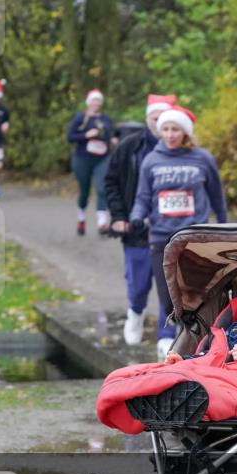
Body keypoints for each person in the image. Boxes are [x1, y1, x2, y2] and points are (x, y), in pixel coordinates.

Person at [131, 105, 228, 361]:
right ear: (160, 131)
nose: (170, 134)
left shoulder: (202, 158)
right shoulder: (152, 160)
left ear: (184, 131)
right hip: (161, 236)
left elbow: (217, 197)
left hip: (194, 236)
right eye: (166, 129)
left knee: (196, 293)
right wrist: (136, 217)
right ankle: (178, 338)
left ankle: (192, 345)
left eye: (175, 129)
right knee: (167, 298)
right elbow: (142, 197)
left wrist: (224, 226)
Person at [105, 93, 177, 346]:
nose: (160, 126)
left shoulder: (182, 151)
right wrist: (119, 216)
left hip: (170, 229)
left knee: (168, 285)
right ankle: (135, 312)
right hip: (136, 228)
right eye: (155, 119)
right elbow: (111, 182)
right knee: (138, 285)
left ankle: (167, 335)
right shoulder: (129, 147)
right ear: (147, 119)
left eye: (165, 120)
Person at [68, 89, 115, 236]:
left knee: (102, 189)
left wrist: (112, 140)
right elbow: (70, 137)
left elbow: (109, 135)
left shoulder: (105, 119)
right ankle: (81, 219)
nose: (96, 103)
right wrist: (86, 135)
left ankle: (102, 223)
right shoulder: (81, 118)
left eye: (99, 101)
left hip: (102, 158)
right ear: (89, 102)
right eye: (94, 100)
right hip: (83, 158)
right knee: (84, 192)